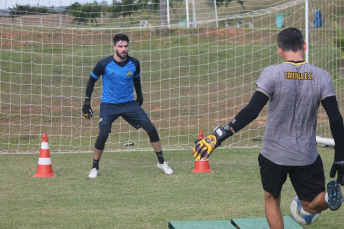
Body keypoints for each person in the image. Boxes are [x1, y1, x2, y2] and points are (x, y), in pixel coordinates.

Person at [193, 27, 344, 228]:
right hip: (306, 155)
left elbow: (252, 111)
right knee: (309, 204)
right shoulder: (322, 76)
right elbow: (335, 119)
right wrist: (341, 157)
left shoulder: (271, 73)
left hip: (274, 154)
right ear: (304, 46)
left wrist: (220, 135)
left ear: (280, 50)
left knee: (272, 198)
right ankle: (327, 198)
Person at [83, 33, 173, 178]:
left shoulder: (134, 63)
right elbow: (91, 81)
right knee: (103, 134)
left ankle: (161, 162)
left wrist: (140, 95)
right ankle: (94, 167)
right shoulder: (103, 64)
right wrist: (86, 103)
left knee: (151, 128)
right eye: (120, 46)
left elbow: (137, 80)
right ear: (114, 47)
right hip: (109, 105)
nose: (123, 49)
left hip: (129, 104)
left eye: (125, 46)